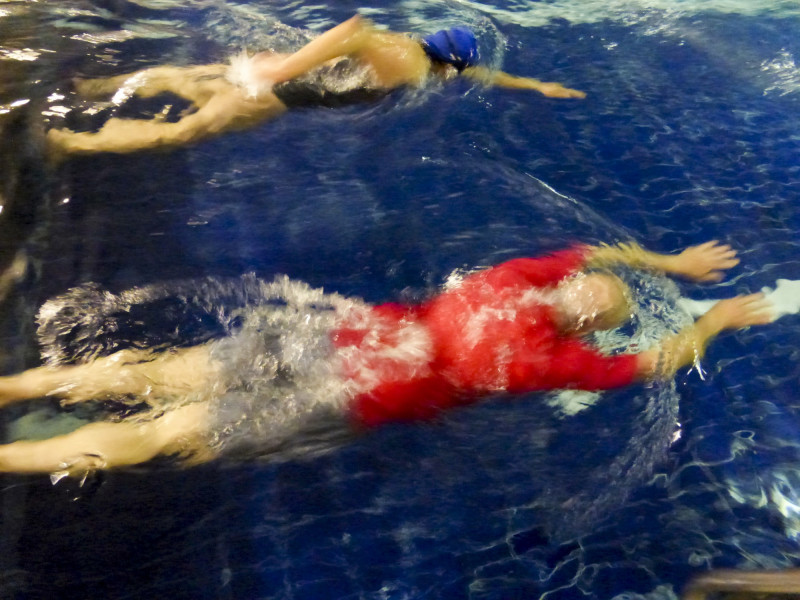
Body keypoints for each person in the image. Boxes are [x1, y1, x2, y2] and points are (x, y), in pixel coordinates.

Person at [0, 240, 773, 475]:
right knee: (170, 433)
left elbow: (596, 253)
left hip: (330, 340)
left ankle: (16, 387)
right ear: (586, 329)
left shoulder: (514, 281)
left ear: (566, 289)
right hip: (345, 395)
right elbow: (656, 363)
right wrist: (716, 320)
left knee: (158, 374)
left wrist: (669, 264)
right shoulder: (549, 362)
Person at [45, 15, 586, 159]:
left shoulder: (411, 47)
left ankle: (95, 86)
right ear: (448, 66)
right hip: (274, 91)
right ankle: (68, 143)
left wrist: (537, 85)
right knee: (179, 134)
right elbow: (354, 29)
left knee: (187, 80)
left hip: (267, 72)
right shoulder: (409, 66)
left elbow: (481, 73)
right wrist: (284, 72)